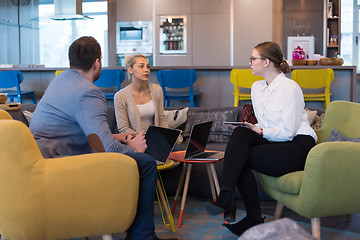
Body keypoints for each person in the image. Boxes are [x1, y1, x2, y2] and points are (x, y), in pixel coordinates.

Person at [30, 36, 176, 240]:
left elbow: (84, 131)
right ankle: (142, 236)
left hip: (43, 154)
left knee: (138, 158)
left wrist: (119, 136)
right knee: (146, 162)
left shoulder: (61, 79)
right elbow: (108, 150)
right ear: (97, 63)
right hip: (63, 163)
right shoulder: (89, 93)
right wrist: (134, 149)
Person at [205, 41, 317, 236]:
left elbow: (288, 131)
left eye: (253, 58)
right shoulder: (257, 88)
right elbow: (266, 123)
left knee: (241, 157)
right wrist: (253, 128)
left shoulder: (290, 88)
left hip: (298, 145)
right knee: (240, 134)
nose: (250, 62)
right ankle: (227, 195)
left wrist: (261, 132)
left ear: (266, 62)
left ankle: (250, 215)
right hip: (277, 141)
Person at [114, 54, 168, 134]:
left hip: (155, 139)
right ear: (130, 70)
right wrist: (141, 139)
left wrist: (167, 138)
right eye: (141, 66)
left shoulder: (157, 90)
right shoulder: (120, 96)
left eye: (148, 67)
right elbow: (123, 128)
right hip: (134, 140)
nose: (146, 70)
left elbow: (161, 119)